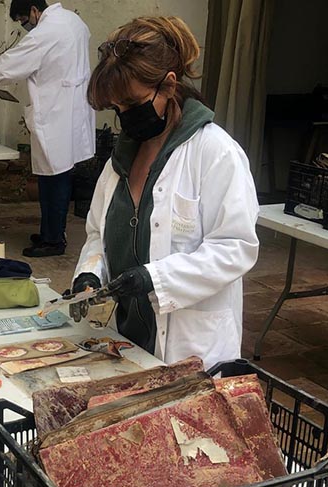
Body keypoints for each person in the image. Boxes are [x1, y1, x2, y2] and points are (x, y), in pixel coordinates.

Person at [70, 16, 259, 370]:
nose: (124, 117)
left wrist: (155, 278)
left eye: (132, 103)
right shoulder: (120, 160)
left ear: (169, 86)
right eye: (117, 108)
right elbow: (99, 233)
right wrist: (90, 274)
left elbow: (236, 249)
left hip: (191, 346)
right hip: (127, 341)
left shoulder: (215, 153)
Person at [0, 0, 95, 258]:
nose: (25, 26)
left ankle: (53, 240)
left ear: (34, 10)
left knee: (53, 178)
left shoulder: (46, 31)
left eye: (23, 20)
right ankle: (50, 231)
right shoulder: (74, 21)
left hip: (54, 113)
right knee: (58, 174)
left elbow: (15, 61)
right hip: (71, 110)